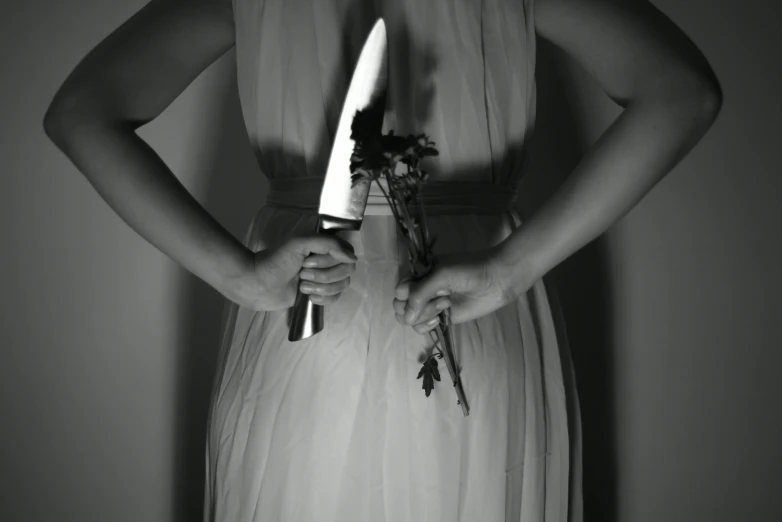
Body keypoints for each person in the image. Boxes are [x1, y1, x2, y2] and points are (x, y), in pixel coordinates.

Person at [43, 0, 722, 520]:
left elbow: (82, 109)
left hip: (372, 322)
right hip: (445, 308)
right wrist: (510, 268)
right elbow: (682, 91)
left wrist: (240, 277)